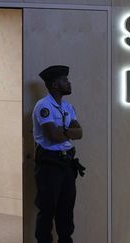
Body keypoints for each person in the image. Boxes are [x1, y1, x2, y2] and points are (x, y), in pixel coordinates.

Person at [32, 65, 85, 243]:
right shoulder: (43, 106)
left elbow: (80, 133)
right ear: (55, 84)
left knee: (66, 208)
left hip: (67, 162)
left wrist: (63, 131)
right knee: (47, 210)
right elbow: (53, 136)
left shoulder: (68, 107)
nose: (69, 83)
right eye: (65, 80)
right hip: (49, 164)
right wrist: (68, 131)